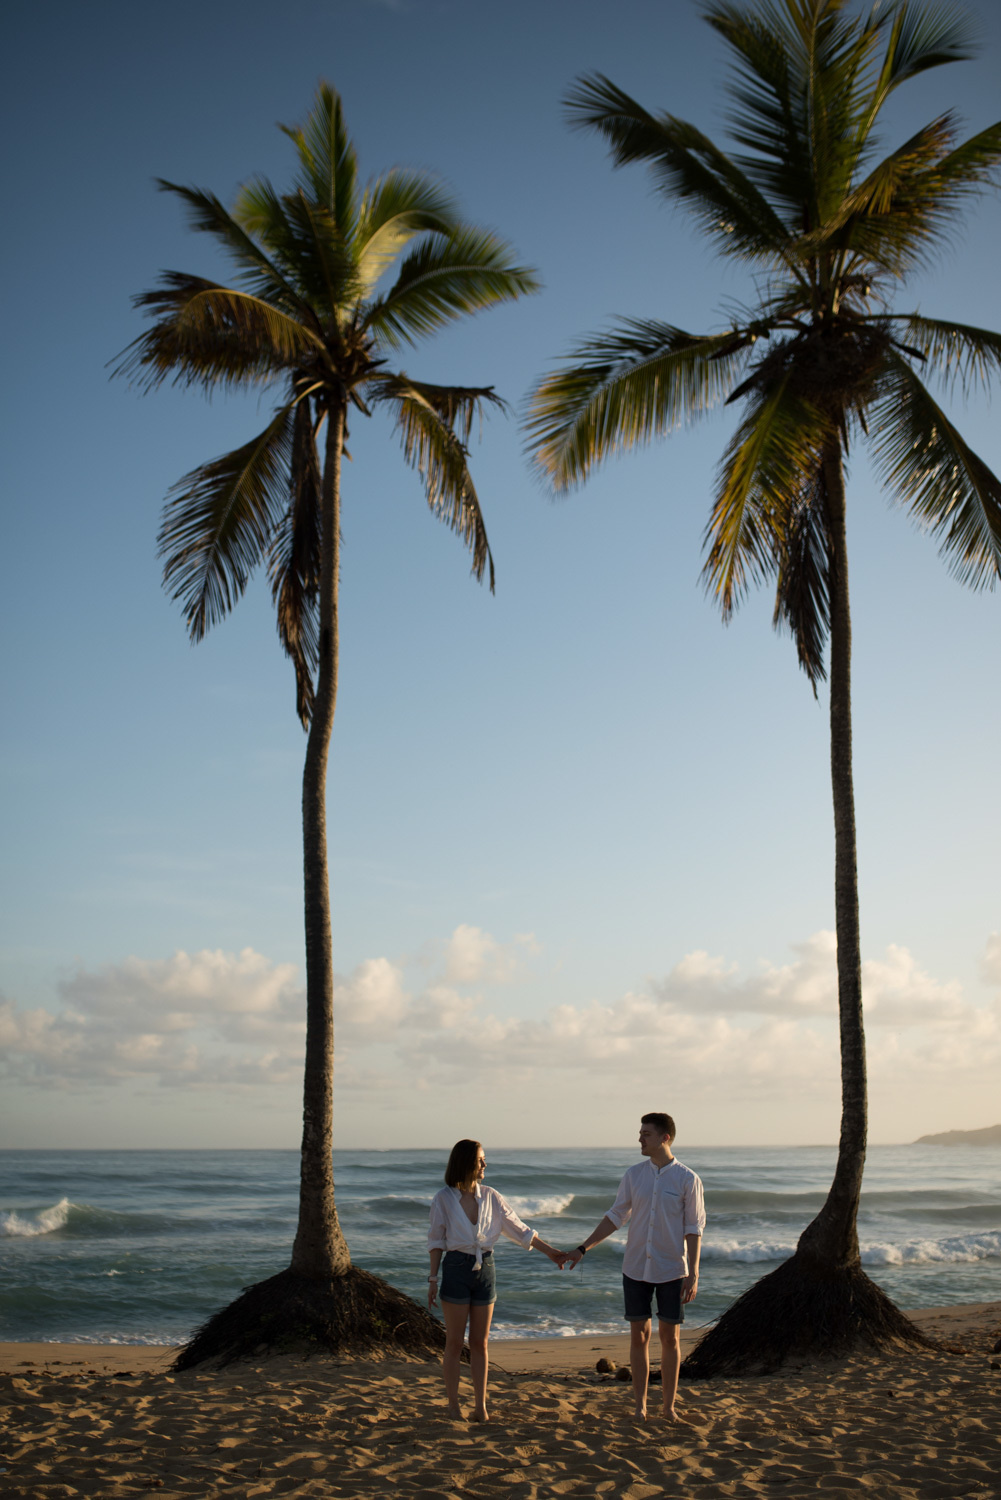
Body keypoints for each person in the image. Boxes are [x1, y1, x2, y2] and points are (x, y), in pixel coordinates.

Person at [567, 1113, 705, 1423]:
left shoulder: (687, 1179)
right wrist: (582, 1248)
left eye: (646, 1134)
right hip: (635, 1268)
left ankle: (668, 1408)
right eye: (640, 1133)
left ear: (664, 1138)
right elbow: (616, 1216)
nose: (640, 1138)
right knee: (639, 1337)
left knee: (670, 1339)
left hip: (672, 1269)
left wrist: (693, 1273)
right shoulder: (634, 1175)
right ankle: (640, 1408)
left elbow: (694, 1229)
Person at [428, 1138, 567, 1422]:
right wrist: (432, 1279)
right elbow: (436, 1242)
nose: (485, 1164)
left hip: (486, 1269)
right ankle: (453, 1406)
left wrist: (552, 1253)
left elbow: (521, 1230)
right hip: (455, 1268)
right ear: (466, 1162)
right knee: (454, 1342)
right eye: (480, 1159)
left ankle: (480, 1407)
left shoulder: (491, 1196)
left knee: (480, 1343)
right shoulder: (443, 1199)